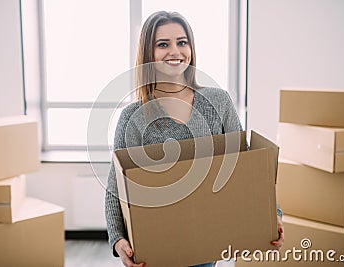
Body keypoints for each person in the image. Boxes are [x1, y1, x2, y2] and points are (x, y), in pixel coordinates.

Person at [105, 11, 284, 267]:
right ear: (148, 53)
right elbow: (115, 187)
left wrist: (272, 215)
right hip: (154, 248)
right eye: (162, 44)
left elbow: (248, 168)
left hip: (206, 245)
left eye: (182, 42)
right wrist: (117, 239)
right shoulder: (132, 117)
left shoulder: (218, 102)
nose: (175, 51)